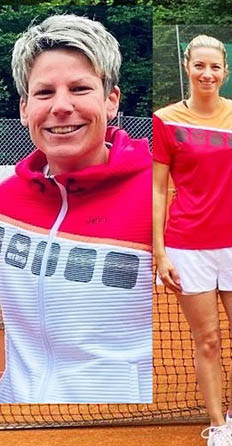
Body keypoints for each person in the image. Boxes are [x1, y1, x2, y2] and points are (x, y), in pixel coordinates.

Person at [0, 14, 152, 404]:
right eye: (44, 92)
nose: (62, 106)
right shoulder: (6, 200)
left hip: (123, 425)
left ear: (111, 100)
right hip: (20, 421)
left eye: (80, 88)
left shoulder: (160, 195)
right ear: (24, 107)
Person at [153, 35, 232, 446]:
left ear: (225, 71)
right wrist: (160, 251)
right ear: (187, 66)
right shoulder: (165, 120)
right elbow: (158, 188)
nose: (207, 74)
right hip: (187, 246)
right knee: (209, 342)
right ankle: (218, 426)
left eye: (214, 67)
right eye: (199, 65)